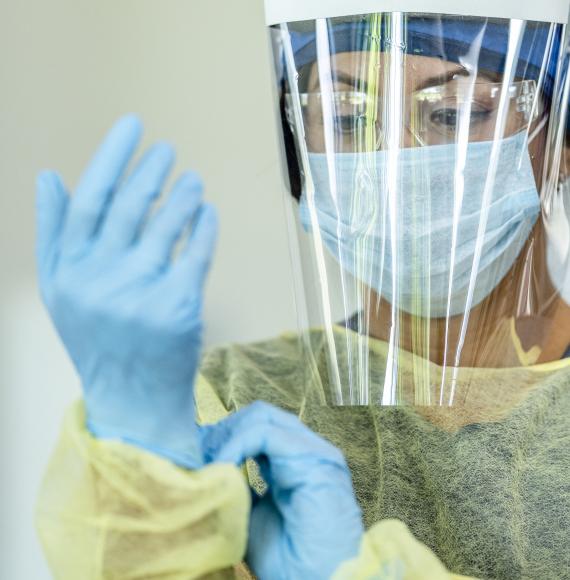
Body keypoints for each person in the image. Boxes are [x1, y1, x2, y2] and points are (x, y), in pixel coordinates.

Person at [35, 4, 570, 580]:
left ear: (561, 137)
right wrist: (136, 457)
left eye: (453, 112)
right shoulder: (225, 401)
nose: (390, 161)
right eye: (344, 118)